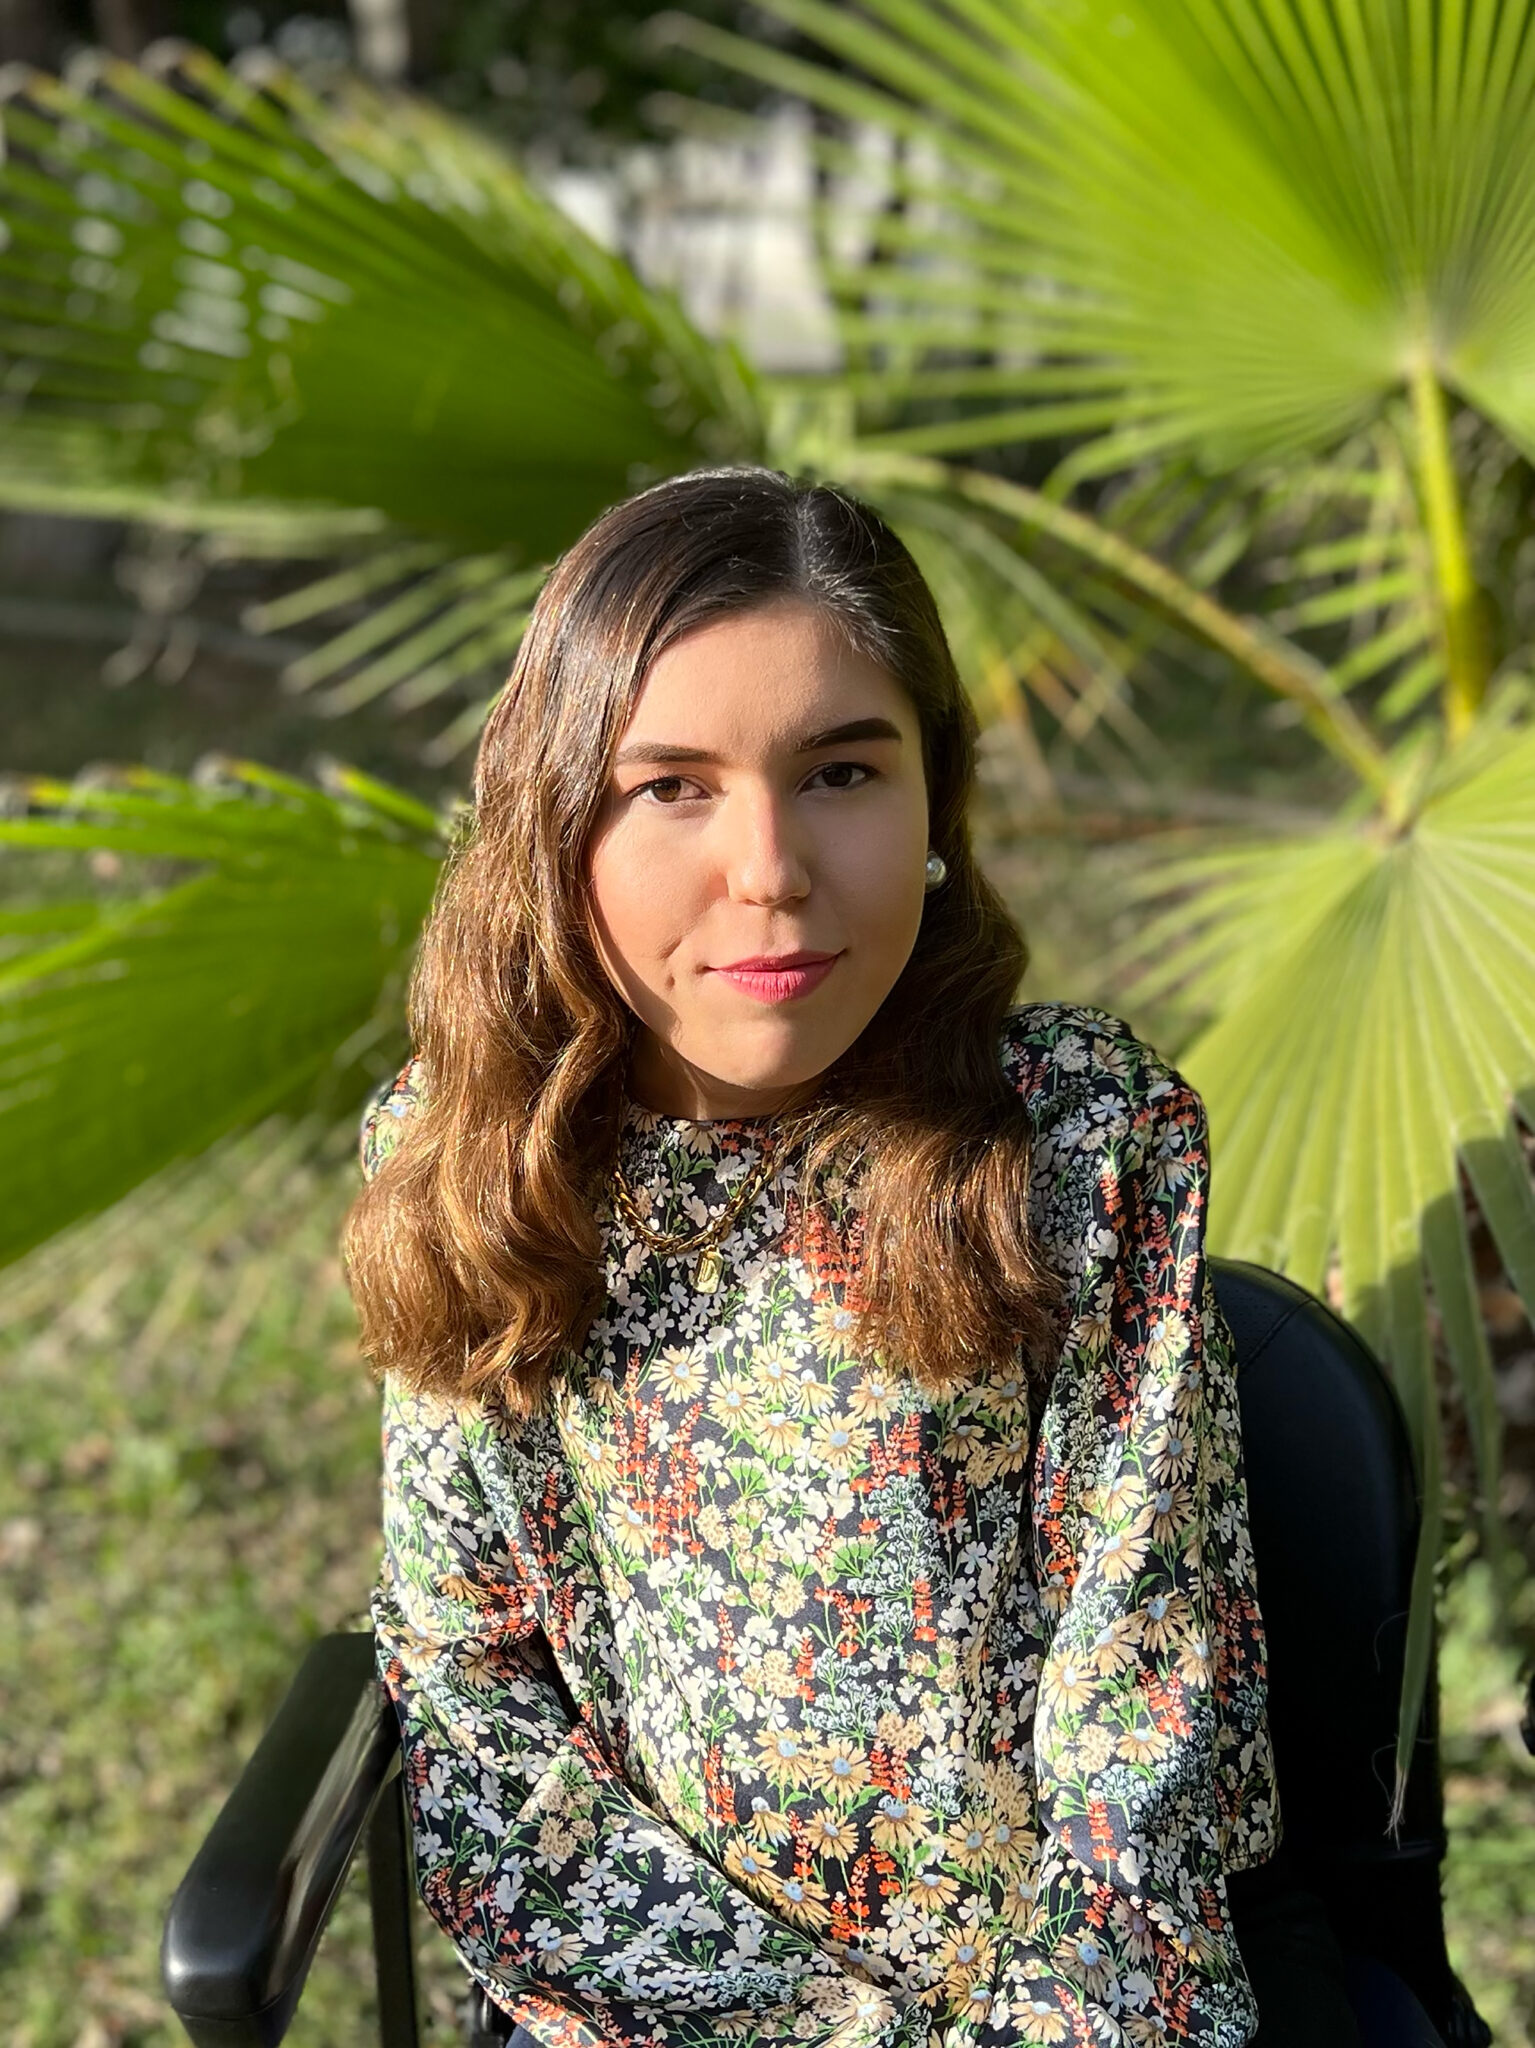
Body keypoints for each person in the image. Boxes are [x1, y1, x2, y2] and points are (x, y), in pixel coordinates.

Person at [343, 466, 1360, 2048]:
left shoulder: (1080, 1140)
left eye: (839, 772)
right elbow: (474, 1709)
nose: (768, 868)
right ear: (561, 825)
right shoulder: (478, 1158)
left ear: (935, 804)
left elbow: (1144, 1706)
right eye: (670, 786)